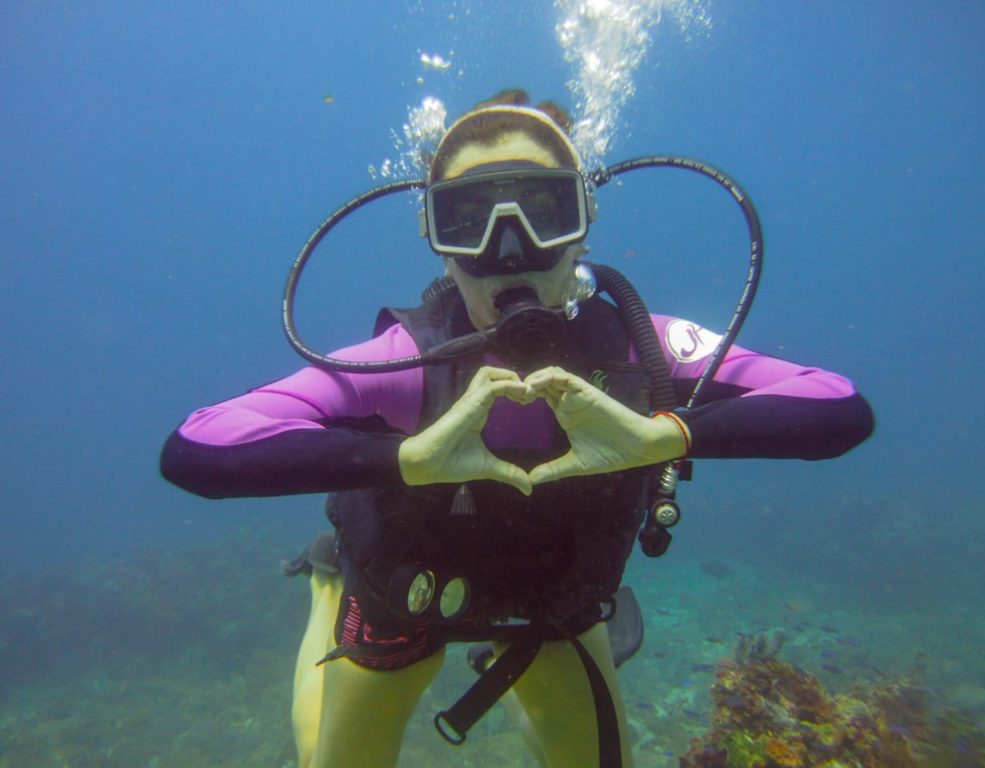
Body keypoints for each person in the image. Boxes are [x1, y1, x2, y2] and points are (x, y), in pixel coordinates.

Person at [161, 89, 874, 768]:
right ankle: (326, 585)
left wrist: (667, 437)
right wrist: (407, 459)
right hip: (405, 582)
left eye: (543, 211)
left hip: (552, 593)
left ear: (582, 224)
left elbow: (839, 405)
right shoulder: (405, 362)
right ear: (439, 242)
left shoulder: (637, 349)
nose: (511, 251)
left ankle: (521, 668)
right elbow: (197, 446)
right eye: (471, 221)